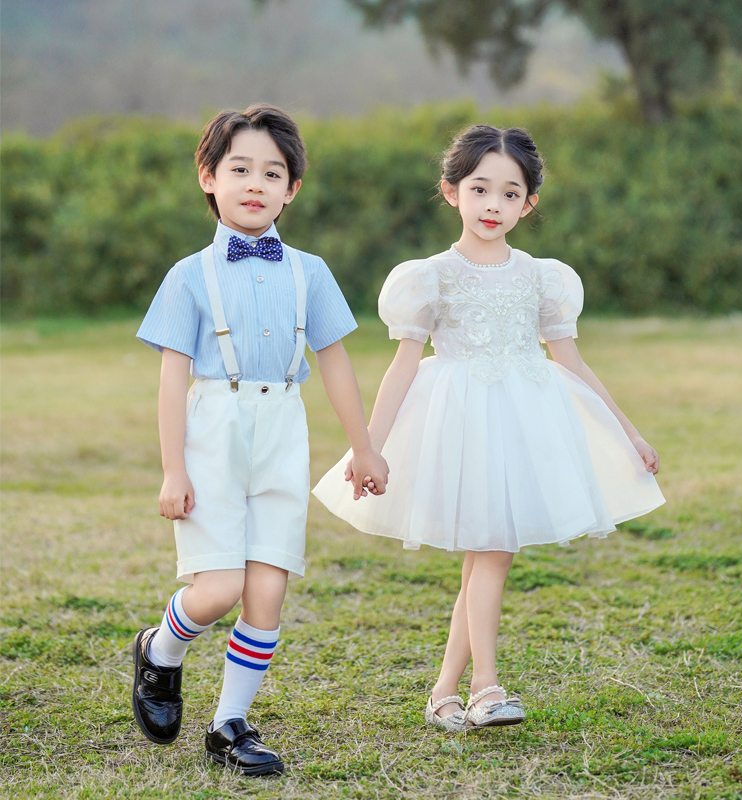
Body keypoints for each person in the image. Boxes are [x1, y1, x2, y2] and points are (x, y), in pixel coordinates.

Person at [312, 124, 665, 732]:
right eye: (480, 190)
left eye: (509, 193)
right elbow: (402, 369)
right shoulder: (429, 277)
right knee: (491, 554)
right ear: (451, 192)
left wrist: (627, 433)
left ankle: (448, 691)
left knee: (487, 556)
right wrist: (366, 446)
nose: (493, 206)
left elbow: (572, 363)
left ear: (529, 202)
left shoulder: (542, 277)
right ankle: (485, 686)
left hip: (523, 425)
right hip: (461, 427)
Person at [131, 103, 388, 776]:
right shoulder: (190, 275)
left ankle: (229, 724)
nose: (255, 182)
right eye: (238, 168)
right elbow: (170, 380)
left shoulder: (311, 271)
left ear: (292, 188)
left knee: (267, 589)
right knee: (217, 588)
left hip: (283, 428)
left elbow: (333, 361)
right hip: (213, 428)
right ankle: (160, 650)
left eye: (272, 172)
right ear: (208, 178)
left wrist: (362, 446)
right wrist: (171, 470)